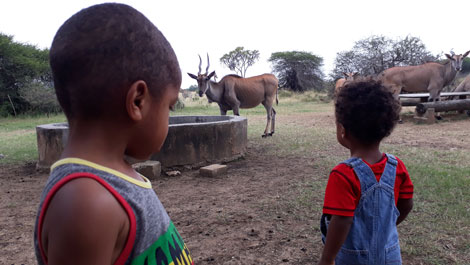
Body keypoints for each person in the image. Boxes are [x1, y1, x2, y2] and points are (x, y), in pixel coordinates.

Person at [33, 3, 193, 265]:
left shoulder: (117, 178)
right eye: (170, 106)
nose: (169, 117)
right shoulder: (87, 203)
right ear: (138, 101)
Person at [318, 80, 414, 265]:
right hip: (390, 255)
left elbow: (341, 221)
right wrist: (384, 228)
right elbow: (406, 205)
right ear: (386, 129)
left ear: (342, 130)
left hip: (352, 258)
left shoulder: (343, 174)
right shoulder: (397, 167)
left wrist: (327, 259)